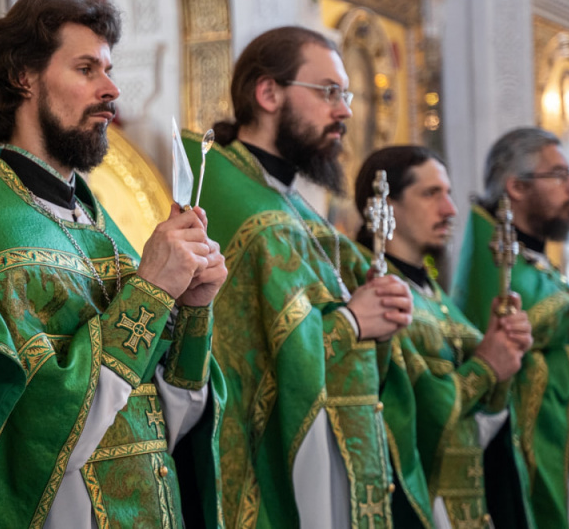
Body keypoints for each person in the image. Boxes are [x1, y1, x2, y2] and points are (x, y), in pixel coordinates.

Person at [0, 0, 227, 529]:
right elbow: (31, 430)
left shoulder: (104, 227)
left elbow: (163, 421)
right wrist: (147, 293)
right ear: (23, 77)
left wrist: (192, 308)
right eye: (86, 69)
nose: (111, 89)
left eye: (109, 69)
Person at [183, 26, 430, 528]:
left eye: (348, 94)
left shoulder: (293, 205)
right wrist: (353, 325)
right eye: (329, 93)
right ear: (268, 92)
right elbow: (243, 358)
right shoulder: (232, 199)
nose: (345, 111)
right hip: (275, 475)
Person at [355, 146, 534, 528]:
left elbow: (483, 418)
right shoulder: (375, 289)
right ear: (386, 205)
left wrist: (504, 359)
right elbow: (410, 409)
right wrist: (485, 366)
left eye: (449, 193)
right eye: (431, 194)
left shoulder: (437, 299)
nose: (450, 209)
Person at [454, 127, 569, 528]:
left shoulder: (534, 262)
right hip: (519, 476)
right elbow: (512, 379)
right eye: (559, 175)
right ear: (516, 187)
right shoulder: (499, 269)